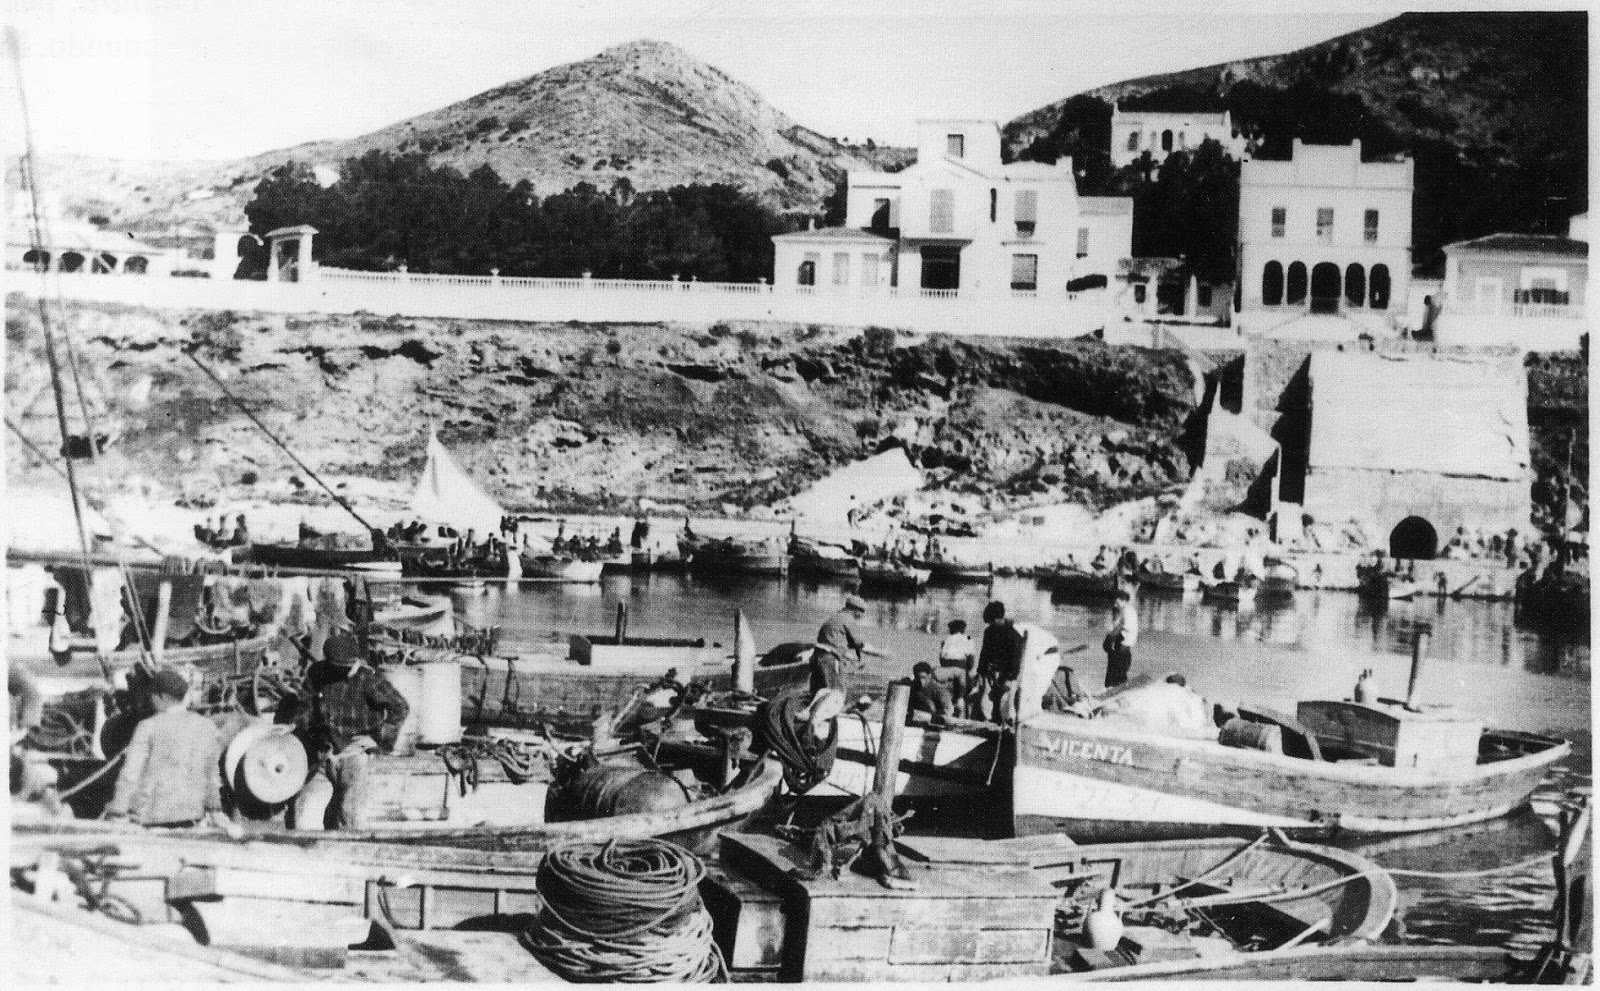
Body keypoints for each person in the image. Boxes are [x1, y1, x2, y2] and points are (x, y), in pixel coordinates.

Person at [293, 633, 410, 831]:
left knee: (349, 816)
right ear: (329, 664)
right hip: (323, 755)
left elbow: (400, 707)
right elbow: (304, 706)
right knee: (303, 815)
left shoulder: (367, 678)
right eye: (343, 667)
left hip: (354, 756)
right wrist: (303, 732)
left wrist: (377, 739)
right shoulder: (317, 673)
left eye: (352, 665)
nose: (351, 669)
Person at [104, 668, 238, 834]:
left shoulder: (148, 727)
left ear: (161, 696)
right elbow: (212, 775)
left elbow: (130, 774)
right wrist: (215, 809)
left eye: (152, 696)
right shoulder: (206, 726)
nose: (151, 701)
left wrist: (118, 811)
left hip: (152, 820)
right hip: (193, 818)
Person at [812, 595, 888, 693]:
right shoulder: (848, 619)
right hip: (830, 660)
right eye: (862, 612)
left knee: (818, 692)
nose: (862, 616)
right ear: (856, 610)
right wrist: (883, 654)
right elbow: (860, 645)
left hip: (817, 657)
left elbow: (833, 645)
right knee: (836, 692)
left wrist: (853, 659)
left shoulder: (836, 617)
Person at [976, 601, 1025, 724]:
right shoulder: (989, 632)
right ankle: (989, 723)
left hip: (1008, 675)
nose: (990, 624)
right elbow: (984, 654)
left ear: (998, 618)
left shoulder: (1014, 636)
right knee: (987, 701)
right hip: (991, 674)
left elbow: (1015, 661)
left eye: (991, 621)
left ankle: (1005, 724)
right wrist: (981, 673)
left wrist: (1008, 678)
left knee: (1005, 702)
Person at [935, 619, 976, 717]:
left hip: (945, 670)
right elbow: (971, 661)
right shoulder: (968, 638)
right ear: (963, 629)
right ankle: (962, 706)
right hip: (960, 669)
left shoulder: (946, 640)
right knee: (968, 689)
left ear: (951, 629)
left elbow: (941, 660)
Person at [1103, 588, 1137, 689]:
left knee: (1119, 672)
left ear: (1123, 600)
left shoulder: (1127, 610)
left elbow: (1122, 627)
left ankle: (1117, 688)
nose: (1115, 604)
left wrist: (1110, 637)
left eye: (1116, 602)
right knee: (1114, 671)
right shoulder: (1124, 610)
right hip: (1122, 644)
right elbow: (1118, 626)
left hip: (1124, 644)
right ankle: (1112, 687)